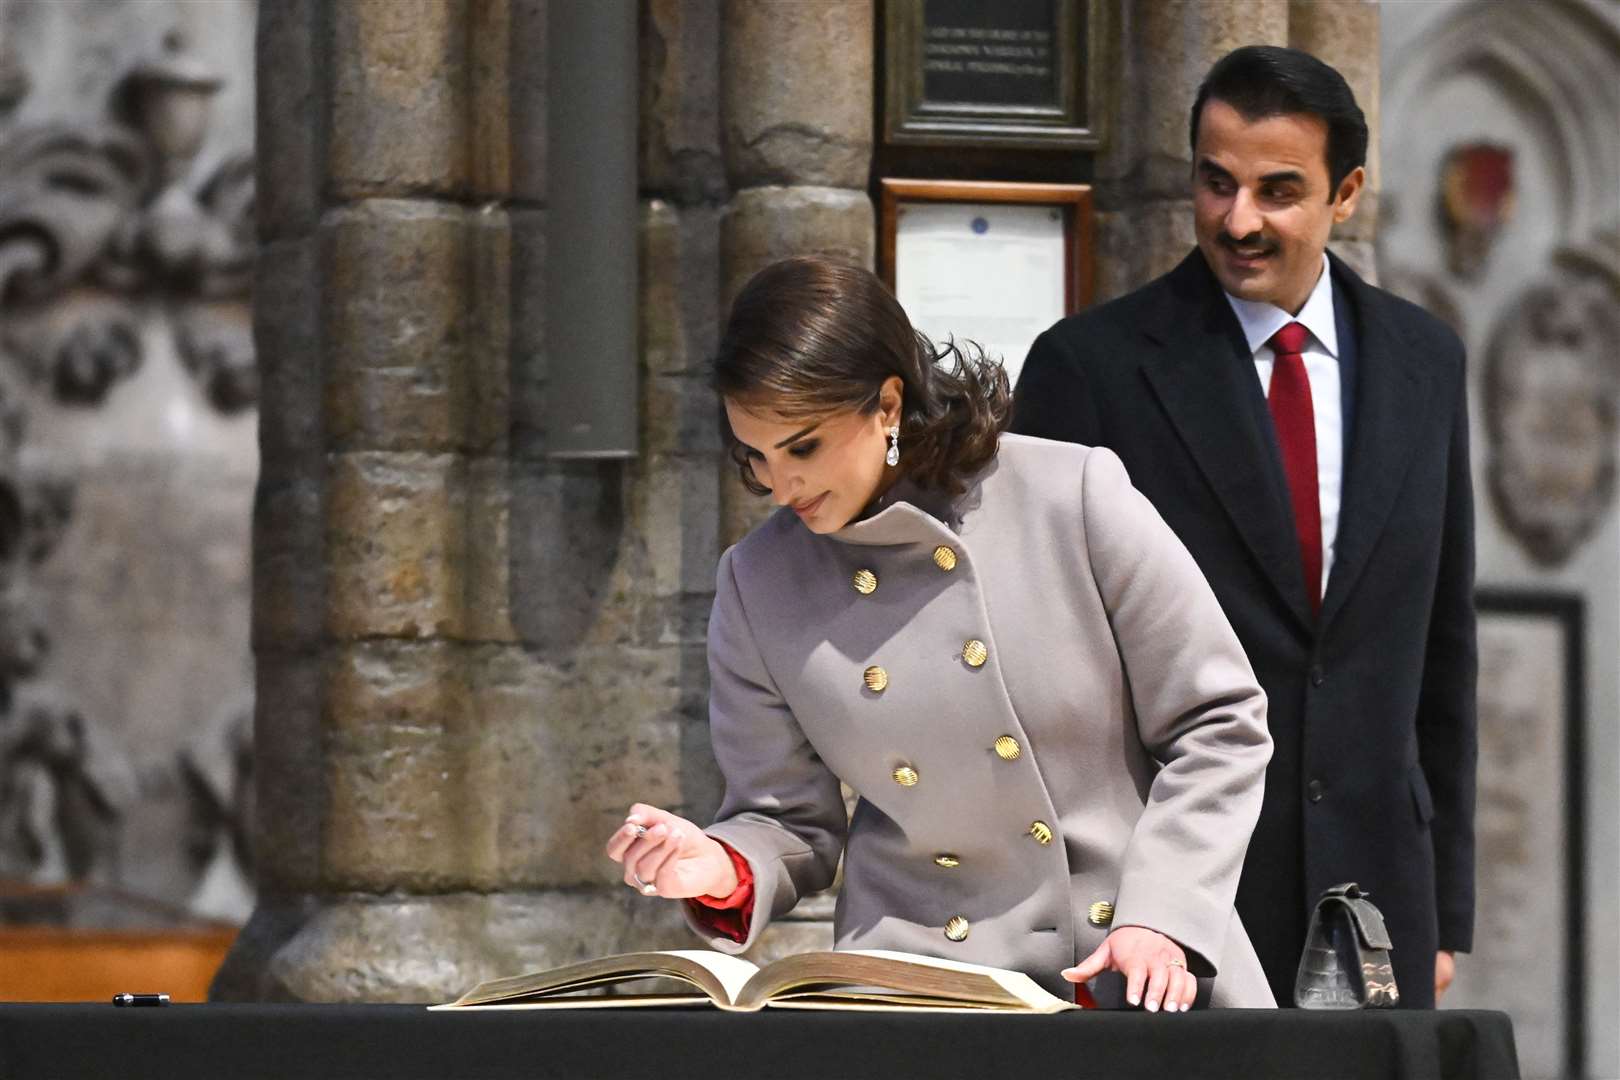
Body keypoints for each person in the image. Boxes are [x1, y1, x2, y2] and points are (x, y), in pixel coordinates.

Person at [606, 255, 1275, 1011]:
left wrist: (1162, 916)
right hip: (921, 993)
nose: (779, 485)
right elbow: (787, 820)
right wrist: (718, 863)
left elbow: (1219, 723)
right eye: (753, 457)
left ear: (887, 405)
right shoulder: (757, 583)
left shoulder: (1073, 495)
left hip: (1131, 970)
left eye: (802, 448)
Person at [1010, 45, 1476, 1009]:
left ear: (1345, 194)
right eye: (1216, 183)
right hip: (1169, 906)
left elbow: (1442, 645)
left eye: (1278, 190)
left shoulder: (1428, 362)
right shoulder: (1088, 369)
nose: (1239, 220)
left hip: (1380, 897)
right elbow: (1035, 663)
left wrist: (1446, 905)